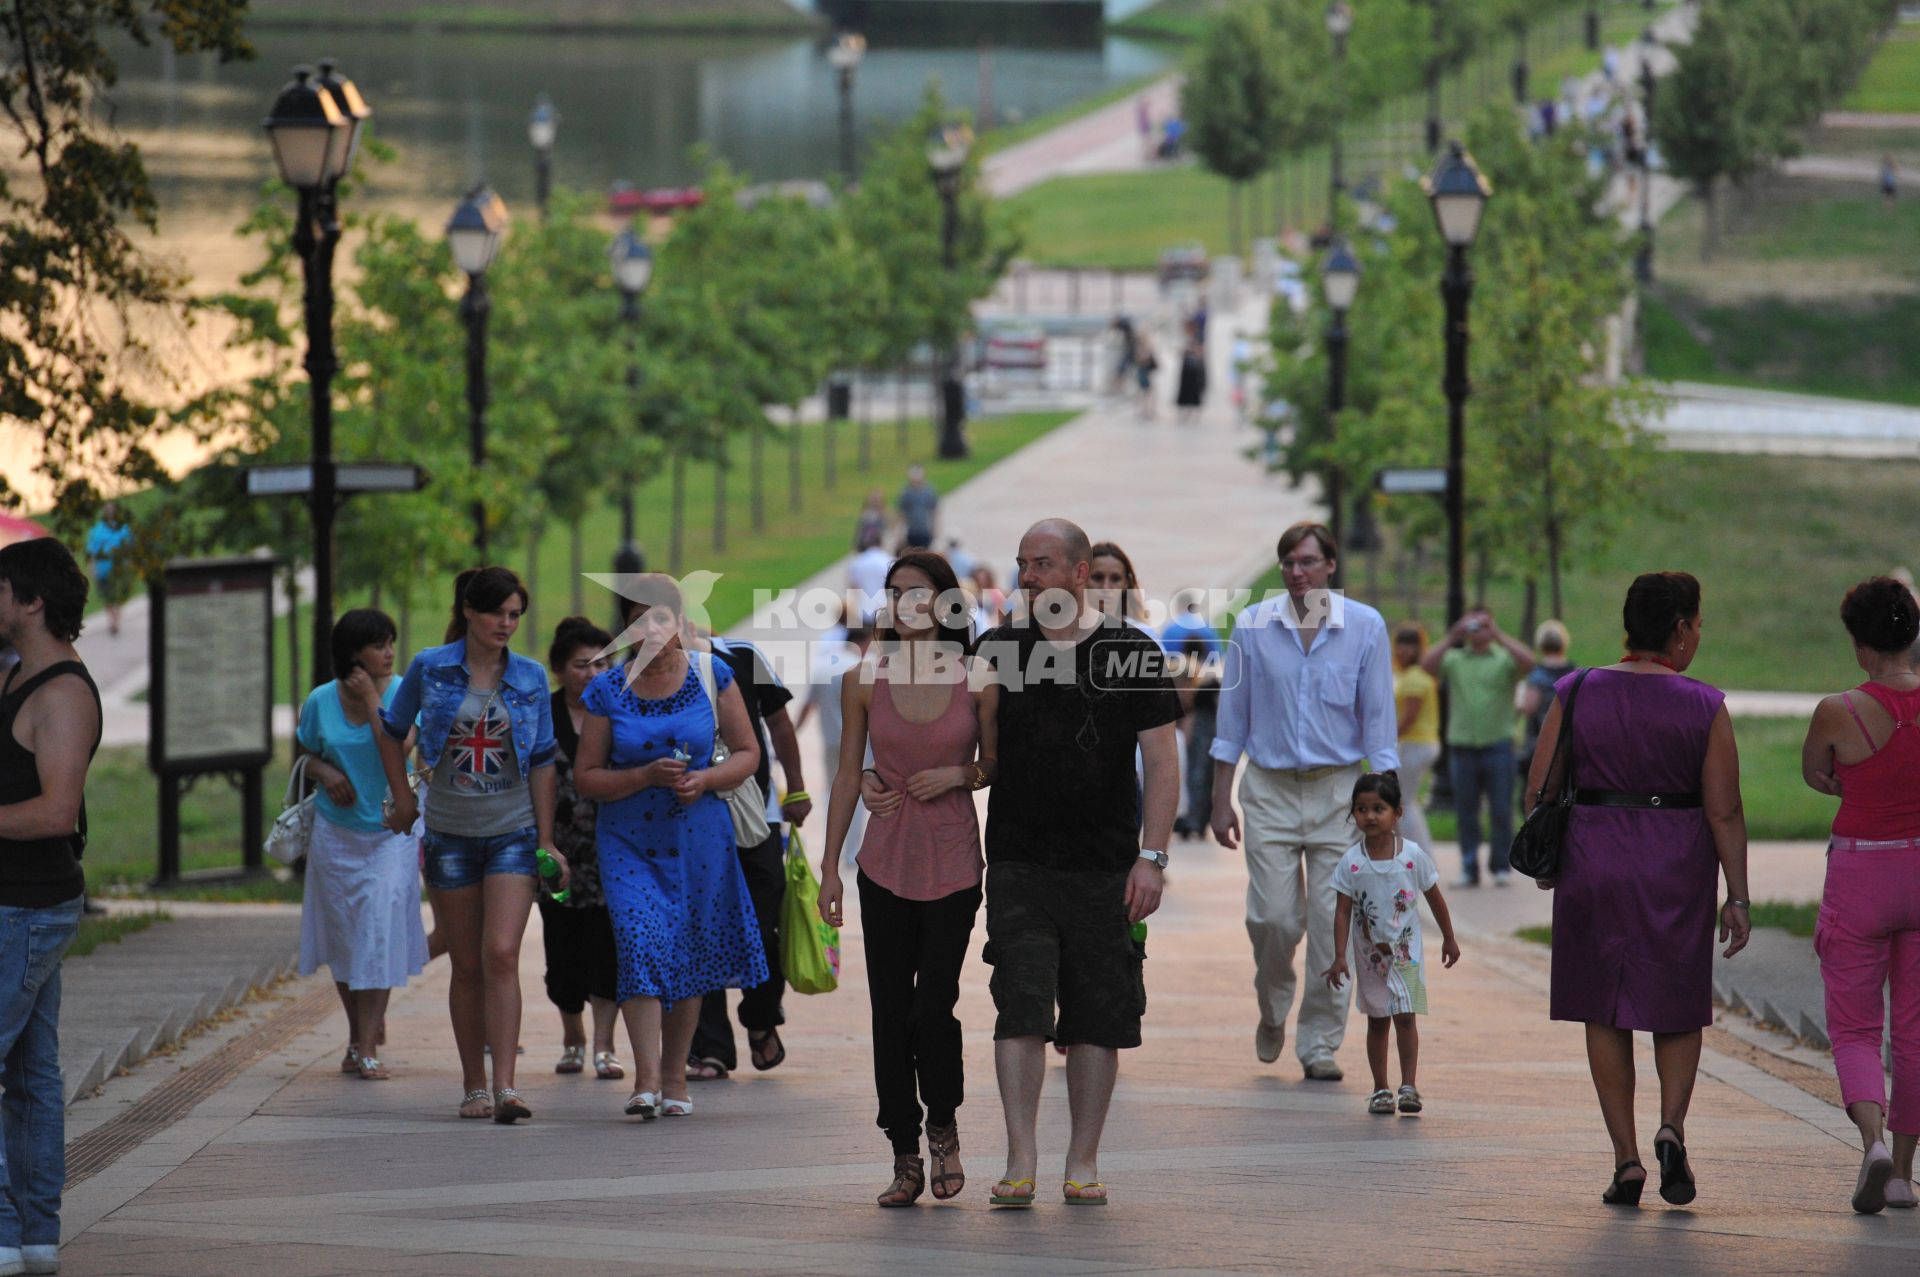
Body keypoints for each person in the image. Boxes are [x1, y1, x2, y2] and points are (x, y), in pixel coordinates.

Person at [1527, 571, 1752, 1209]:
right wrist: (1736, 894)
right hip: (1675, 862)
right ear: (1680, 629)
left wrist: (1550, 853)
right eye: (1698, 624)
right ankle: (1671, 1126)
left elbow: (1539, 788)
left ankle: (1626, 1157)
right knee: (1677, 1002)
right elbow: (1726, 811)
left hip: (1593, 857)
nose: (1698, 636)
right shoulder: (1705, 704)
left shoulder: (1576, 690)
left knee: (1605, 1006)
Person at [974, 518, 1181, 1206]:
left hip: (1105, 865)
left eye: (1039, 564)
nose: (1026, 577)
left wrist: (1152, 857)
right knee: (1021, 1002)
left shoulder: (1133, 652)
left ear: (1080, 572)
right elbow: (960, 734)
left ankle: (1083, 1159)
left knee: (1099, 1012)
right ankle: (1019, 1154)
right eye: (1021, 564)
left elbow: (1161, 762)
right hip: (1017, 859)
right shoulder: (1000, 648)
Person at [820, 551, 994, 1207]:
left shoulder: (979, 675)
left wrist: (961, 774)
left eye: (916, 593)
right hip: (884, 860)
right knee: (889, 1011)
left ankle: (942, 1119)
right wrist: (830, 867)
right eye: (893, 593)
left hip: (952, 860)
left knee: (932, 1005)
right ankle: (904, 1152)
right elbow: (846, 773)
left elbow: (996, 763)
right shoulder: (862, 677)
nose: (901, 603)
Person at [371, 566, 564, 1124]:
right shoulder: (430, 668)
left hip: (514, 829)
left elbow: (545, 760)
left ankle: (507, 1086)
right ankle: (473, 1085)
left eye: (515, 615)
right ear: (471, 613)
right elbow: (390, 729)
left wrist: (547, 840)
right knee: (467, 963)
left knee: (501, 952)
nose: (507, 624)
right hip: (450, 830)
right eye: (498, 613)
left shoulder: (528, 678)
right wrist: (403, 801)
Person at [574, 577, 767, 1120]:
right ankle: (646, 1077)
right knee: (639, 943)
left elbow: (748, 752)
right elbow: (586, 775)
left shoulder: (714, 676)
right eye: (639, 619)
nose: (652, 629)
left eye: (661, 618)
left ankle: (677, 1075)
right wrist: (641, 775)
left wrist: (705, 780)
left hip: (697, 834)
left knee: (689, 952)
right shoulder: (606, 689)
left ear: (681, 623)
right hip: (628, 839)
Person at [1211, 523, 1397, 1081]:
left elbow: (1379, 724)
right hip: (1267, 788)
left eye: (1309, 561)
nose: (1298, 572)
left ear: (1331, 566)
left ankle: (1319, 1042)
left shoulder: (1365, 628)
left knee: (1329, 922)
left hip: (1339, 791)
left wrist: (1386, 809)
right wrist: (1220, 801)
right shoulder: (1253, 626)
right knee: (1273, 918)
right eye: (1289, 562)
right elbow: (1231, 720)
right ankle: (1272, 1006)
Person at [1799, 577, 1920, 1213]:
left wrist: (1850, 785)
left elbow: (1816, 771)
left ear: (1858, 643)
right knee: (1917, 1029)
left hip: (1860, 875)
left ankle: (1871, 1144)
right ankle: (1902, 1172)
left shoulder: (1838, 710)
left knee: (1853, 1026)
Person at [0, 538, 101, 1275]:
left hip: (27, 907)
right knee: (32, 1072)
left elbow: (57, 811)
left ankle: (7, 1231)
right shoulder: (16, 678)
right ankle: (34, 1238)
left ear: (31, 601)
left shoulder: (62, 692)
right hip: (18, 904)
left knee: (27, 1073)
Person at [296, 608, 429, 1081]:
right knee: (346, 936)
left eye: (392, 641)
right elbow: (306, 754)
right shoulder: (320, 701)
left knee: (378, 928)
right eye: (378, 644)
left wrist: (374, 697)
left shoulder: (399, 693)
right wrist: (325, 771)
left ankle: (369, 1044)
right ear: (353, 654)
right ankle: (357, 1035)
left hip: (390, 830)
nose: (390, 652)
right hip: (337, 834)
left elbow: (401, 746)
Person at [687, 625, 810, 1078]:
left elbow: (778, 721)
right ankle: (712, 1046)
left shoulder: (740, 654)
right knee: (703, 927)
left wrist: (796, 788)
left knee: (763, 924)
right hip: (690, 822)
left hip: (757, 815)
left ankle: (760, 1019)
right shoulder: (645, 671)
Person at [1322, 772, 1459, 1116]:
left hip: (1406, 957)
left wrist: (1449, 937)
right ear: (1352, 813)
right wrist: (1340, 956)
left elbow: (1434, 897)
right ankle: (1380, 1088)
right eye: (1362, 808)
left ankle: (1408, 1086)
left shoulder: (1412, 856)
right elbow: (1341, 912)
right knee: (1378, 1021)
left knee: (1406, 1019)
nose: (1369, 816)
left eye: (1378, 808)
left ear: (1398, 812)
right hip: (1370, 961)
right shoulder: (1351, 862)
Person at [541, 617, 623, 1081]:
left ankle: (605, 1047)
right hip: (557, 853)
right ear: (559, 669)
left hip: (611, 849)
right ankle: (572, 1036)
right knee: (562, 954)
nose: (592, 673)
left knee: (607, 950)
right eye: (580, 665)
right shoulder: (542, 714)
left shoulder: (617, 709)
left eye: (601, 663)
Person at [1421, 608, 1535, 887]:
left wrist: (1497, 634)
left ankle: (1500, 866)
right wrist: (1452, 636)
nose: (1477, 629)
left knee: (1500, 809)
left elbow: (1530, 662)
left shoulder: (1503, 660)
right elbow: (1426, 665)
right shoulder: (1456, 658)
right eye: (1473, 623)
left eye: (1482, 624)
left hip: (1498, 745)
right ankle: (1469, 867)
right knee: (1466, 811)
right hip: (1462, 747)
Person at [796, 613, 872, 869]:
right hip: (860, 743)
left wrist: (794, 731)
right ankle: (851, 851)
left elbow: (808, 705)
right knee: (859, 794)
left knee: (832, 792)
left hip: (830, 739)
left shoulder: (824, 665)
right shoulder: (863, 669)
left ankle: (834, 845)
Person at [1518, 620, 1577, 816]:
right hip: (1570, 744)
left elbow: (1528, 707)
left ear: (1540, 644)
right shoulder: (1575, 673)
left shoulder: (1537, 675)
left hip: (1539, 742)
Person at [1391, 623, 1440, 854]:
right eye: (1401, 644)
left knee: (1403, 802)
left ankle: (1420, 855)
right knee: (1406, 801)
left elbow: (1409, 716)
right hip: (1420, 743)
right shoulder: (1413, 675)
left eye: (1410, 646)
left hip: (1415, 743)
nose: (1403, 651)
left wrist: (1387, 738)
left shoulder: (1414, 678)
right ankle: (1417, 854)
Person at [1173, 633, 1220, 841]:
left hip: (1187, 723)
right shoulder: (1210, 673)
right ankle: (1197, 821)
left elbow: (1184, 697)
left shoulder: (1178, 666)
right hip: (1205, 726)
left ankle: (1187, 820)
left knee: (1189, 774)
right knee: (1201, 775)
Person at [83, 503, 131, 638]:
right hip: (103, 568)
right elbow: (91, 552)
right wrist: (92, 568)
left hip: (119, 568)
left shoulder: (123, 528)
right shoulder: (96, 530)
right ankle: (112, 618)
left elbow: (129, 549)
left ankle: (115, 620)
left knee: (118, 595)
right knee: (106, 596)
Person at [1086, 541, 1149, 628]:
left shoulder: (1143, 635)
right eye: (1097, 578)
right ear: (1082, 579)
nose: (1105, 587)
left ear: (1126, 583)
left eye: (1115, 579)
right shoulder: (1065, 632)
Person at [1159, 589, 1222, 657]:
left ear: (1178, 605)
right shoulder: (1208, 627)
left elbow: (1164, 658)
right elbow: (1217, 657)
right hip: (1204, 666)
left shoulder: (1170, 629)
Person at [849, 528, 892, 624]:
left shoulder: (857, 561)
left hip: (863, 609)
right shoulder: (888, 560)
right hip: (883, 607)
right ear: (881, 542)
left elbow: (853, 587)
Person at [898, 465, 940, 550]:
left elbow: (934, 511)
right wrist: (900, 532)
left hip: (925, 530)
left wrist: (935, 527)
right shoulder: (906, 493)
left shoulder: (929, 491)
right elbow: (902, 513)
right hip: (911, 530)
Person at [1174, 331, 1207, 425]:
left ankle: (1192, 414)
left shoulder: (1197, 351)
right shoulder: (1186, 352)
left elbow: (1200, 361)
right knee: (1185, 397)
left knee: (1194, 398)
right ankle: (1184, 414)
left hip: (1194, 378)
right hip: (1186, 378)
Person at [1133, 332, 1159, 422]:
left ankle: (1149, 409)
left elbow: (1151, 360)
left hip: (1148, 373)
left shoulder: (1148, 348)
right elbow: (1138, 360)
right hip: (1142, 373)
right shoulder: (1139, 349)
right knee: (1143, 392)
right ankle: (1144, 409)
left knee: (1149, 392)